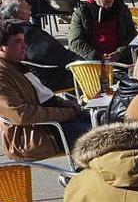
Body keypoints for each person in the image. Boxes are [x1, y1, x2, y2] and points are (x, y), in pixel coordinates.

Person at [0, 20, 89, 161]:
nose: (25, 45)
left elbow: (43, 96)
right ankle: (84, 176)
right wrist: (66, 114)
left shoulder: (17, 66)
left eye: (24, 40)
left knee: (105, 121)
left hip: (50, 126)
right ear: (2, 47)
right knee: (99, 136)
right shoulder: (3, 75)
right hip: (35, 138)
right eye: (18, 42)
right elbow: (21, 115)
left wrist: (65, 104)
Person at [0, 0, 77, 91]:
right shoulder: (28, 33)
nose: (31, 11)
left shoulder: (5, 31)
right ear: (18, 13)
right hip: (46, 79)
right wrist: (81, 60)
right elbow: (57, 55)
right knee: (90, 71)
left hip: (29, 77)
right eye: (28, 8)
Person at [68, 0, 137, 63]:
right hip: (91, 61)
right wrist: (97, 55)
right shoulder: (82, 13)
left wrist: (120, 53)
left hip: (120, 58)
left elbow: (132, 35)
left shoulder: (122, 10)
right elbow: (75, 41)